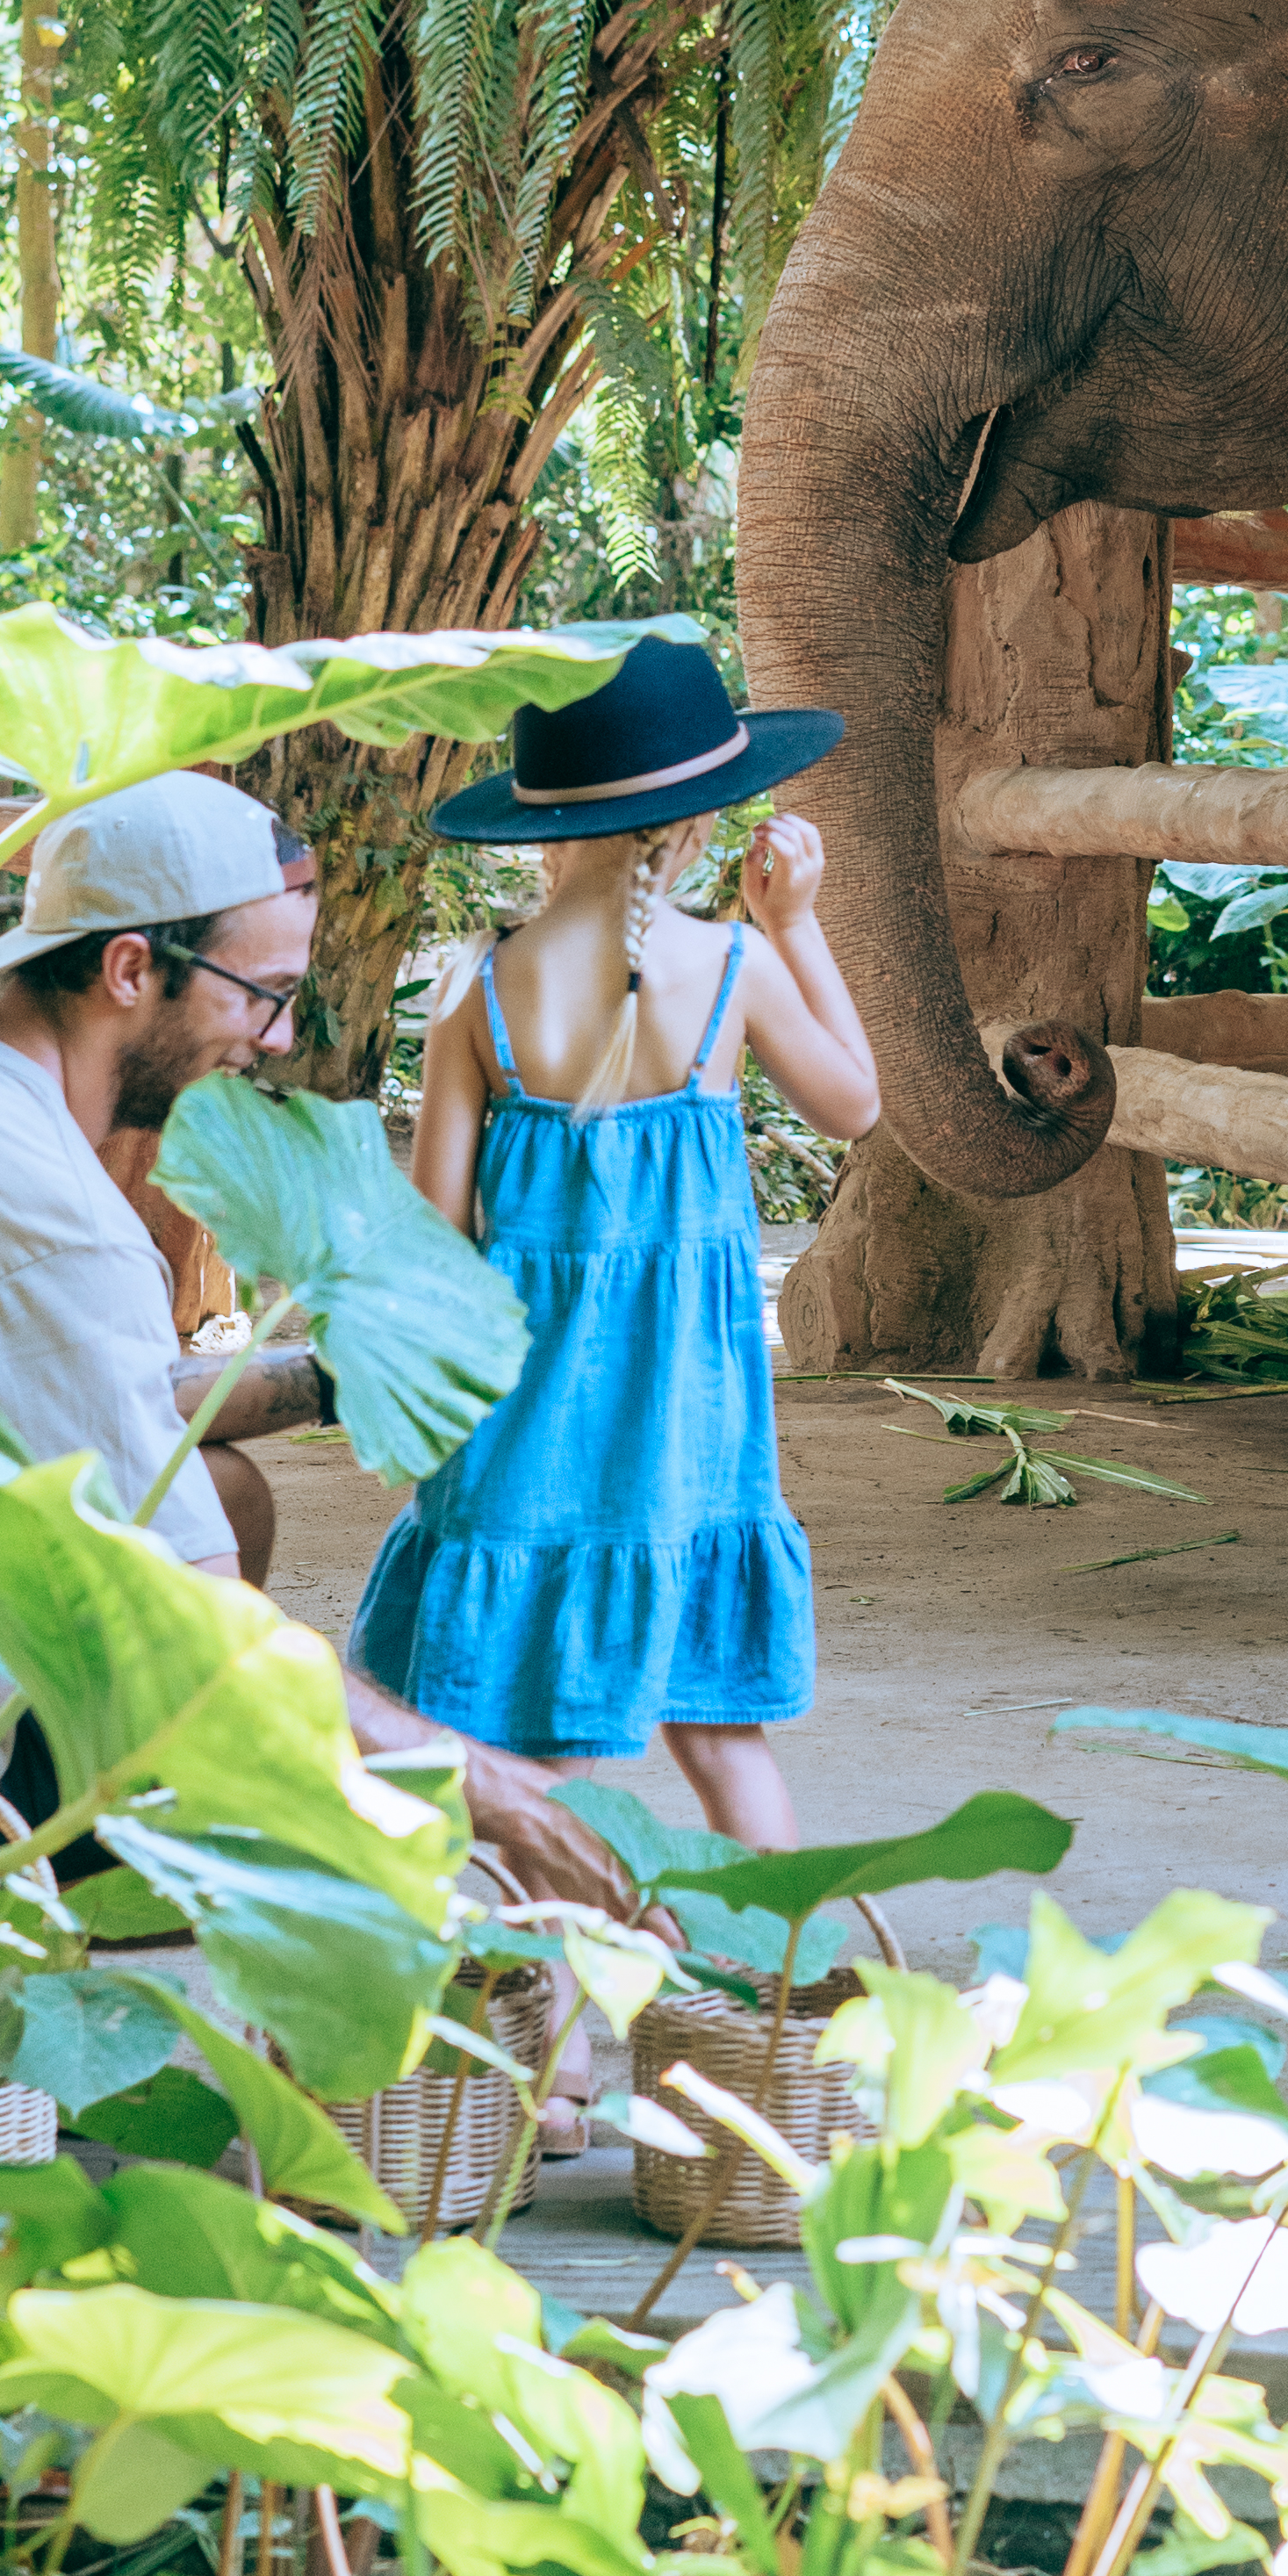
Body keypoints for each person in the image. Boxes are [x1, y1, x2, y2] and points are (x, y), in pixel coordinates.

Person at [0, 772, 627, 1919]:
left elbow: (86, 1392)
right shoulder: (40, 1202)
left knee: (222, 1494)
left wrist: (331, 1375)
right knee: (269, 1736)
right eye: (259, 995)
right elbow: (207, 1642)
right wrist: (502, 1798)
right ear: (130, 969)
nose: (272, 1039)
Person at [350, 634, 876, 1848]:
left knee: (496, 1738)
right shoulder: (734, 967)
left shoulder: (475, 991)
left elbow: (434, 1242)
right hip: (688, 1430)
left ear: (540, 827)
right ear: (693, 826)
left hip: (518, 1433)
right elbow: (855, 1105)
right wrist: (795, 924)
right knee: (720, 1738)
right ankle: (767, 2010)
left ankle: (537, 2006)